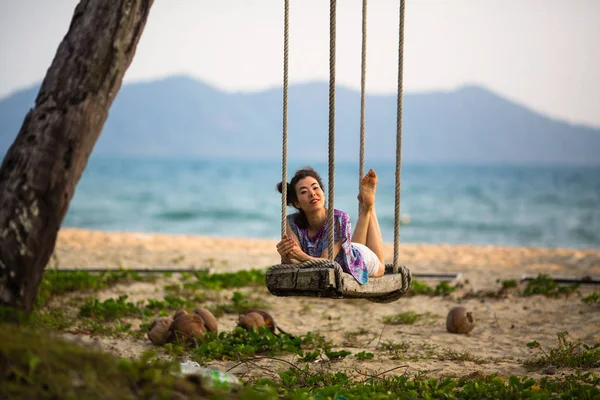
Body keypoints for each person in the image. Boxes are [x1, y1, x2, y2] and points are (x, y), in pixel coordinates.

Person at [276, 166, 386, 284]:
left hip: (359, 260)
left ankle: (369, 206)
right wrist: (288, 259)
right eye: (303, 191)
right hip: (347, 251)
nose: (312, 194)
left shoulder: (339, 218)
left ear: (323, 193)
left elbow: (326, 262)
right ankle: (366, 207)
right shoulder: (291, 222)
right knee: (348, 248)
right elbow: (296, 260)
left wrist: (301, 256)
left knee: (381, 268)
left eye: (315, 188)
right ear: (297, 203)